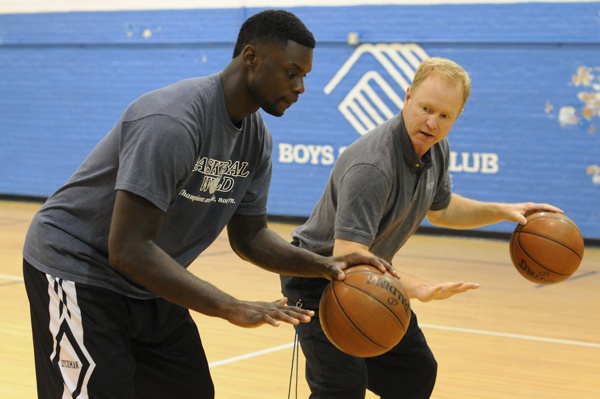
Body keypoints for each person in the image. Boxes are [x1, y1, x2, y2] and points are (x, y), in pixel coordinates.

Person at [22, 10, 393, 399]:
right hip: (79, 268)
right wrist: (229, 305)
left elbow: (251, 238)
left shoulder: (256, 141)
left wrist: (324, 265)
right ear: (251, 58)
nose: (300, 86)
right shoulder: (173, 121)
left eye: (305, 76)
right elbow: (128, 248)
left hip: (147, 280)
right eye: (291, 72)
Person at [280, 57, 563, 398]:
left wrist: (502, 211)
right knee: (341, 387)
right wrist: (418, 287)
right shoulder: (372, 166)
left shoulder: (436, 148)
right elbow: (348, 255)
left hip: (367, 273)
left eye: (445, 115)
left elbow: (441, 209)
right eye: (426, 108)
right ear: (408, 97)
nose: (432, 122)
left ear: (457, 116)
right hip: (317, 275)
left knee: (414, 372)